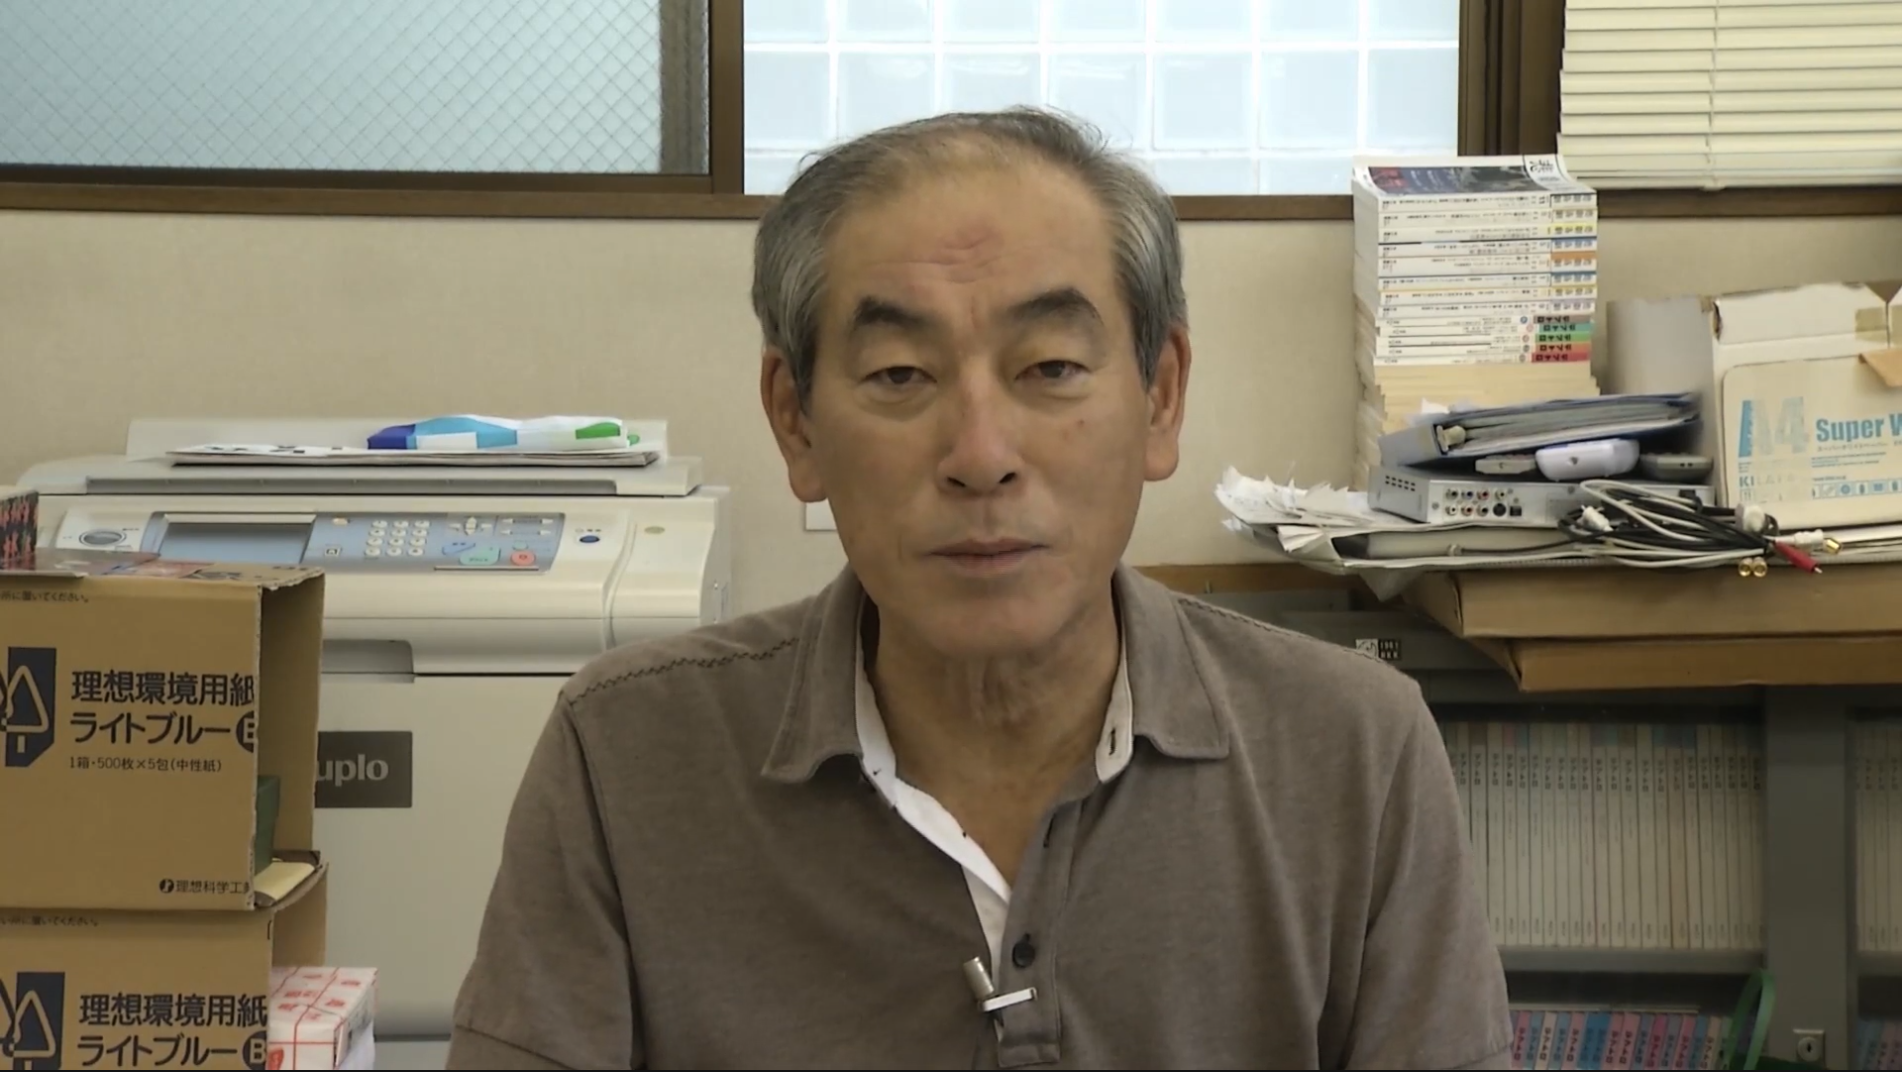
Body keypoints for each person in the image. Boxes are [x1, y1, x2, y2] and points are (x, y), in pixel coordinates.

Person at [445, 106, 1511, 1070]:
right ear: (796, 421)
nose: (981, 455)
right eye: (899, 375)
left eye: (1050, 368)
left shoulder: (1355, 751)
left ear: (1161, 397)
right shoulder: (623, 755)